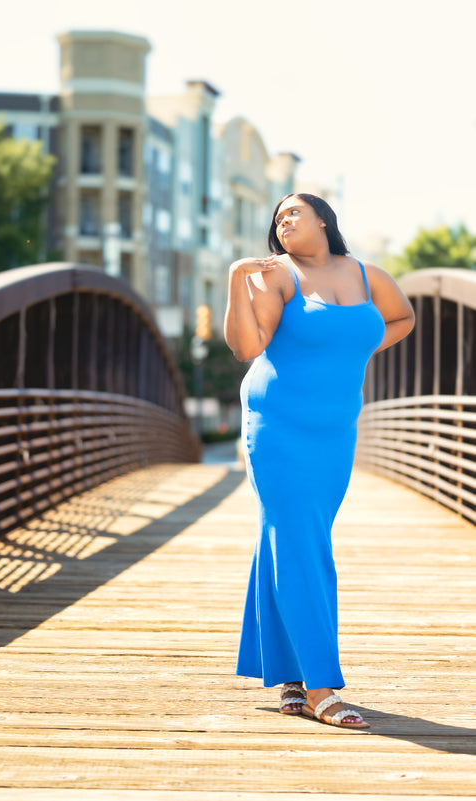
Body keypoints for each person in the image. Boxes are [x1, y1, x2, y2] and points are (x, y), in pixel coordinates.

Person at [224, 193, 414, 729]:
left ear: (324, 220)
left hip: (334, 432)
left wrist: (355, 348)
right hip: (278, 425)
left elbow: (402, 318)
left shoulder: (366, 274)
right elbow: (245, 346)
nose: (283, 223)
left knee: (285, 540)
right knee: (302, 543)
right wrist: (238, 279)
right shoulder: (275, 276)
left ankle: (286, 673)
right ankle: (321, 686)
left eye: (293, 213)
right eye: (278, 218)